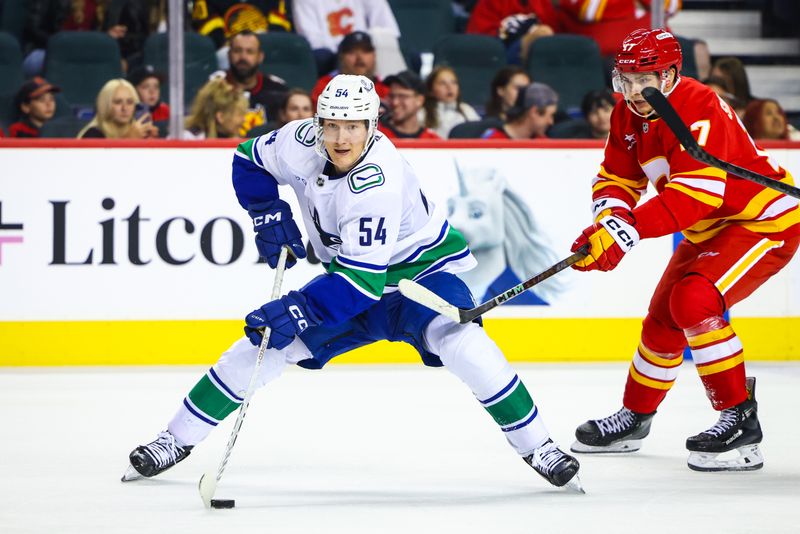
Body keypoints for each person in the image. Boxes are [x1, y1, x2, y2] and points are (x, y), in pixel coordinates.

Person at [121, 74, 582, 491]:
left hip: (420, 279)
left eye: (353, 126)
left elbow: (361, 283)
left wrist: (297, 307)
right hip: (349, 280)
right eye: (332, 125)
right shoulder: (300, 140)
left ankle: (538, 446)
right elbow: (247, 160)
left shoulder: (377, 182)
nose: (341, 138)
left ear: (373, 125)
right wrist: (266, 212)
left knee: (467, 346)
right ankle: (172, 440)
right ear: (318, 121)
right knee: (259, 349)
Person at [568, 28, 800, 472]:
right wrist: (609, 223)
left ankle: (740, 421)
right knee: (661, 318)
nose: (634, 93)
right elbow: (616, 180)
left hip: (761, 222)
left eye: (645, 80)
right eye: (626, 81)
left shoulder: (699, 104)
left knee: (692, 301)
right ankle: (635, 417)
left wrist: (628, 231)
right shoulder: (627, 116)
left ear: (672, 74)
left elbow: (697, 197)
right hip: (709, 231)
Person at [292, 0, 400, 76]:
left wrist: (362, 46)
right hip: (333, 55)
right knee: (322, 56)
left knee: (386, 44)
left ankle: (393, 88)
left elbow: (388, 30)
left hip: (364, 43)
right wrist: (347, 51)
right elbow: (313, 40)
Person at [225, 30, 289, 134]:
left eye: (249, 51)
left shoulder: (278, 90)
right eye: (237, 50)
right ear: (229, 54)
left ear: (260, 57)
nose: (243, 57)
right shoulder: (215, 87)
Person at [311, 31, 389, 107]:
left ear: (374, 55)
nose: (360, 57)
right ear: (341, 57)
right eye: (352, 52)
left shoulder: (385, 90)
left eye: (365, 51)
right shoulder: (326, 87)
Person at [77, 79, 159, 139]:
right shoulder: (93, 134)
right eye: (118, 102)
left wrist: (151, 144)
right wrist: (129, 140)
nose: (125, 108)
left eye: (130, 102)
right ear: (105, 105)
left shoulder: (138, 131)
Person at [480, 82, 557, 139]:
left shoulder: (543, 143)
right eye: (549, 116)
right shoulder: (492, 140)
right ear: (534, 112)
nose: (551, 122)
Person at [379, 70, 440, 140]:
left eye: (402, 96)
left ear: (420, 100)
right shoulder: (375, 138)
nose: (395, 102)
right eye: (391, 96)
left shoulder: (433, 141)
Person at [422, 66, 481, 139]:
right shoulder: (422, 113)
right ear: (430, 90)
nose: (449, 87)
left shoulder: (466, 110)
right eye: (442, 83)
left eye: (454, 82)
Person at [183, 76, 248, 139]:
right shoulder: (188, 139)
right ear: (221, 117)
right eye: (240, 115)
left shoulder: (239, 143)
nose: (244, 120)